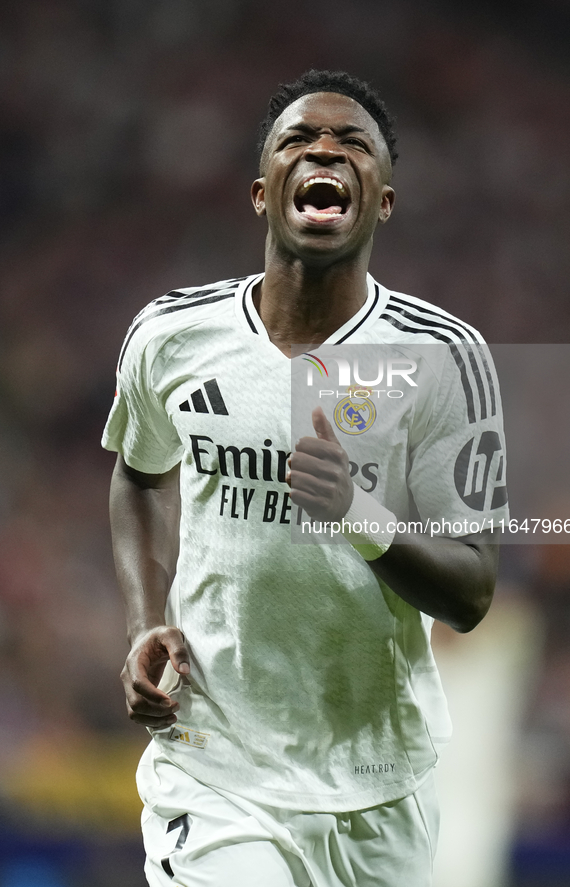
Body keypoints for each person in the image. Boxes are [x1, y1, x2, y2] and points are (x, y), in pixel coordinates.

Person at [103, 70, 508, 887]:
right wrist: (148, 620)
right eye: (297, 139)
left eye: (353, 143)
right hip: (216, 763)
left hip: (375, 778)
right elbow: (141, 476)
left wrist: (355, 512)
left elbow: (471, 589)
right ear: (262, 193)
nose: (324, 148)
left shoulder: (444, 358)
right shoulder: (171, 335)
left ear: (381, 201)